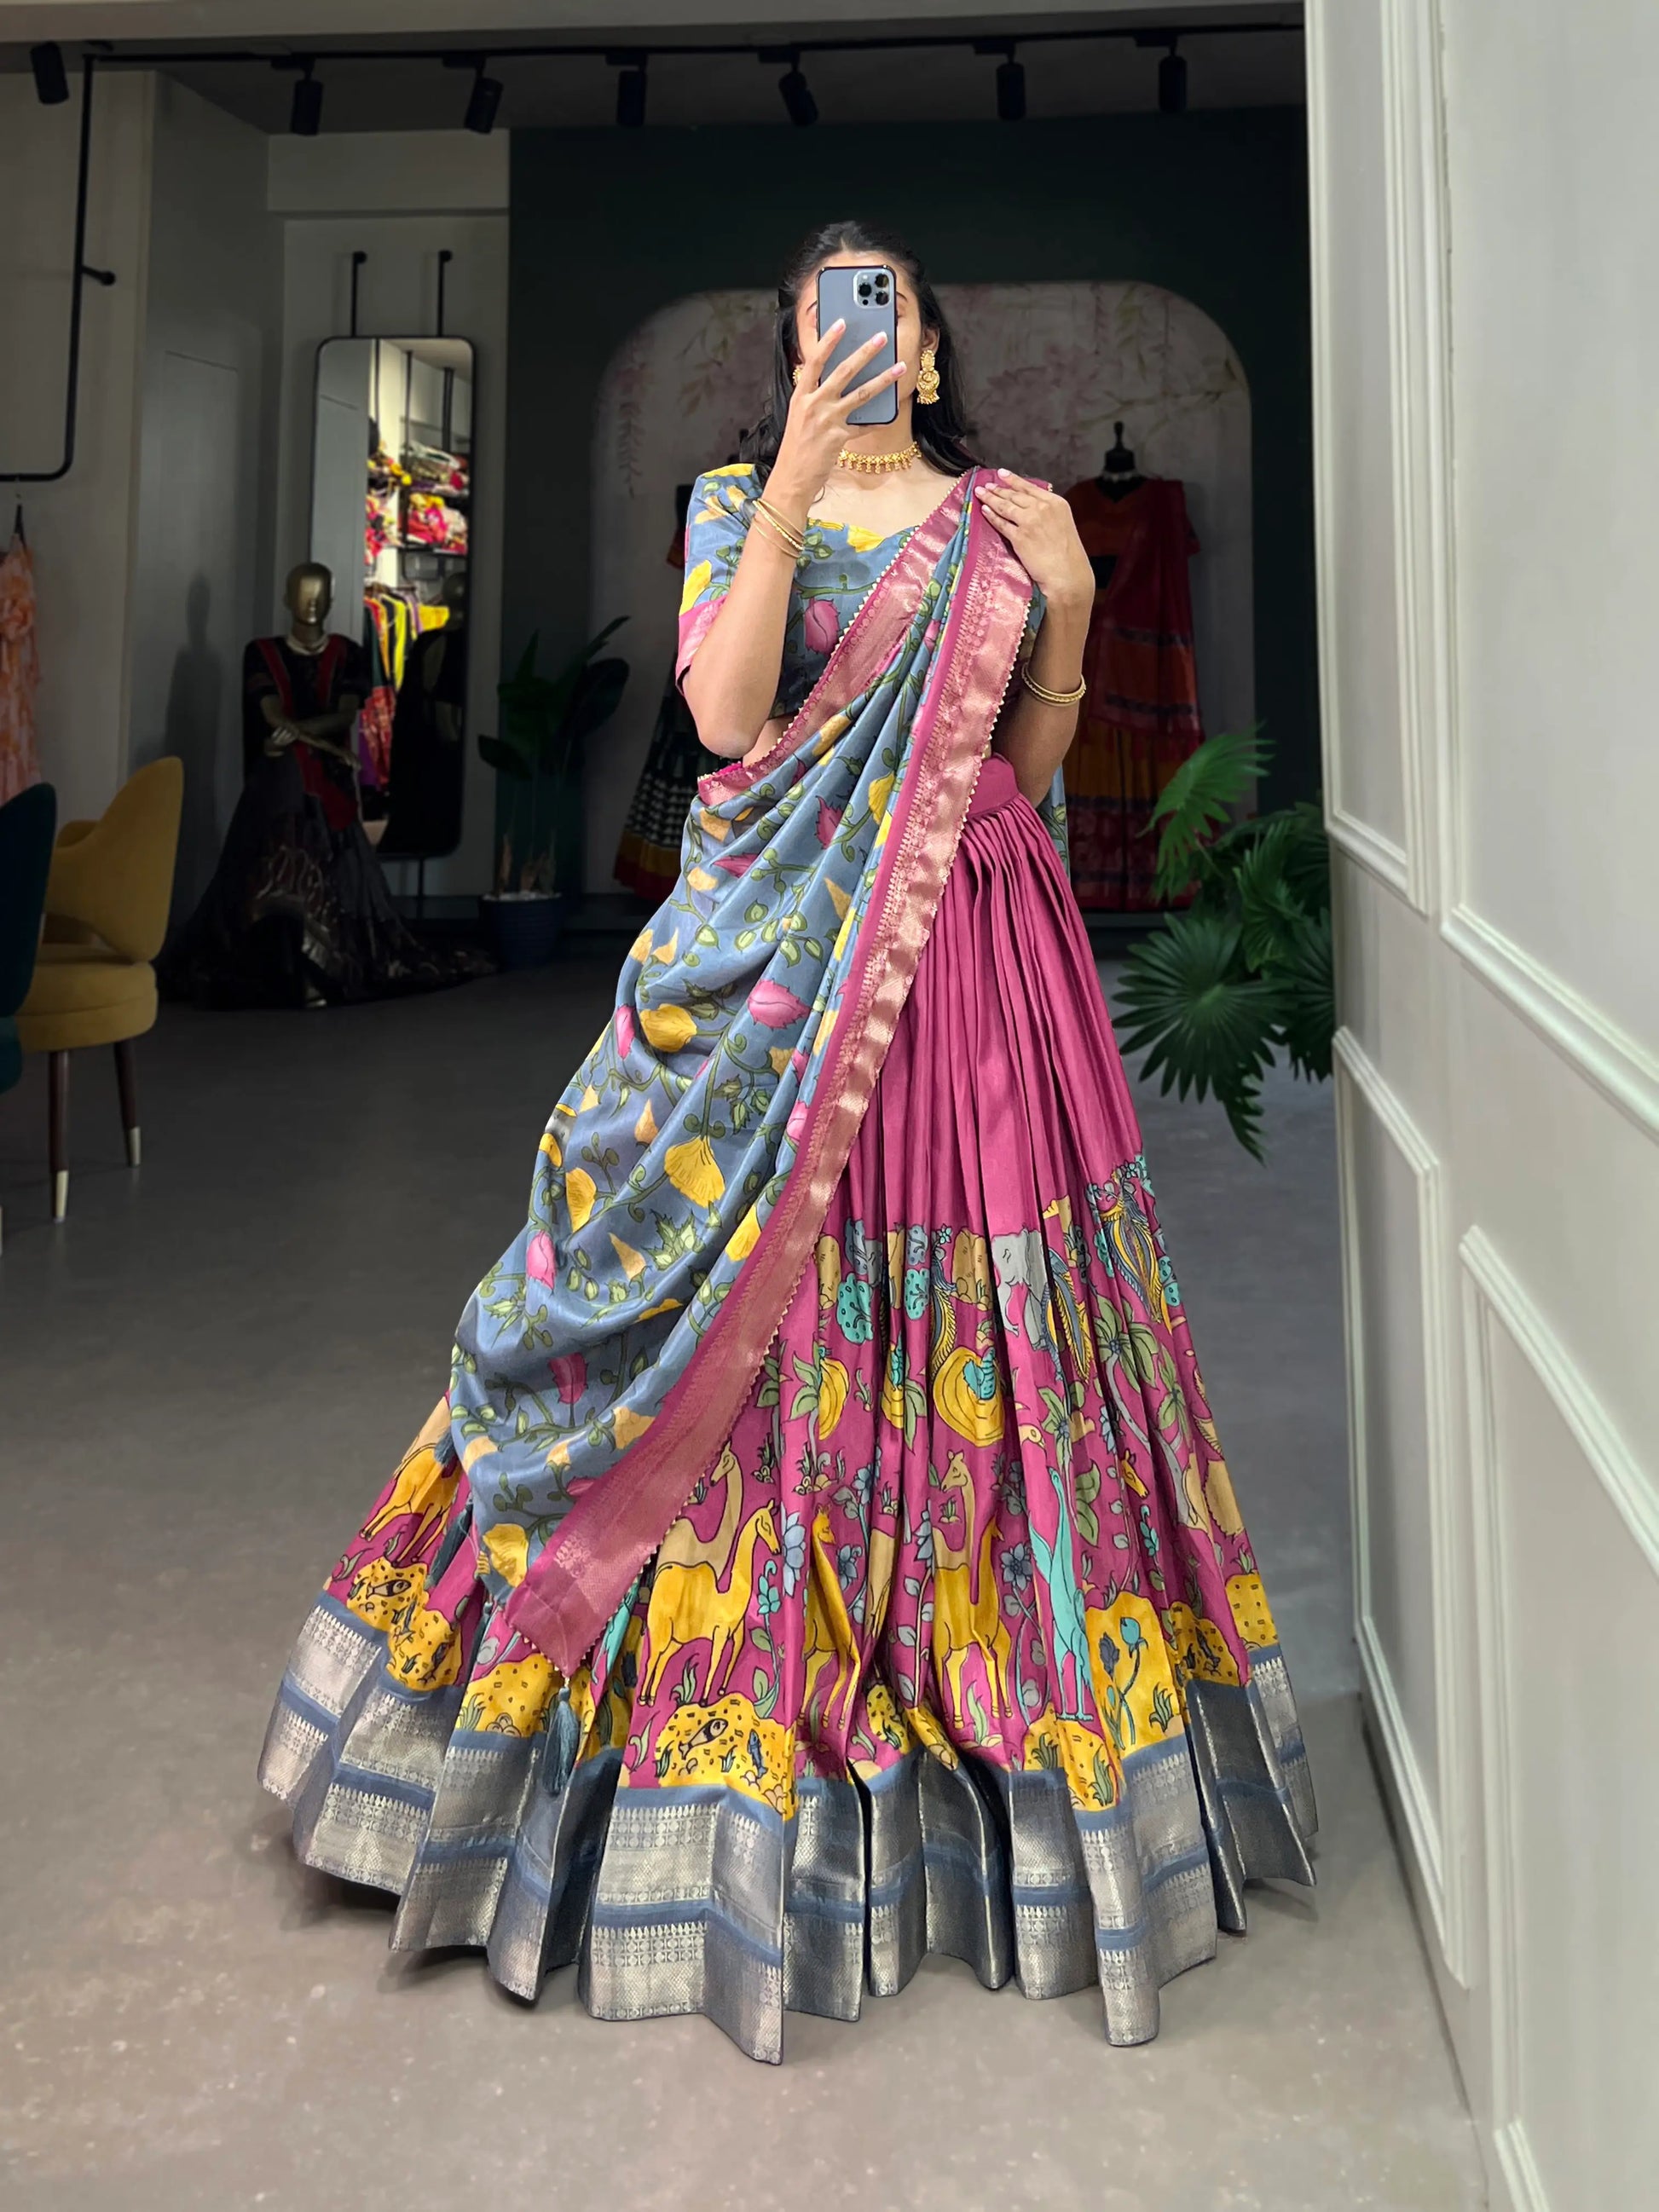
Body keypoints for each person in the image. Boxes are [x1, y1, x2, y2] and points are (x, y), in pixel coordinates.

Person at [260, 222, 1315, 2063]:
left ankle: (996, 1709)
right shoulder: (742, 505)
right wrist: (790, 494)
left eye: (886, 307)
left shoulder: (1008, 523)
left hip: (979, 970)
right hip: (773, 991)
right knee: (732, 1315)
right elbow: (729, 719)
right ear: (797, 354)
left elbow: (1021, 773)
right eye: (823, 317)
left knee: (995, 1342)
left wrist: (1071, 611)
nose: (859, 332)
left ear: (931, 348)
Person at [159, 563, 487, 1008]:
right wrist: (303, 740)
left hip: (324, 778)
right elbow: (269, 713)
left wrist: (297, 736)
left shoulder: (348, 653)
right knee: (284, 799)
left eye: (319, 593)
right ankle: (282, 957)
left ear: (331, 599)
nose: (311, 602)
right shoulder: (261, 653)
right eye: (302, 592)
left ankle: (314, 960)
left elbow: (343, 715)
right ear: (286, 598)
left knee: (299, 789)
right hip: (283, 778)